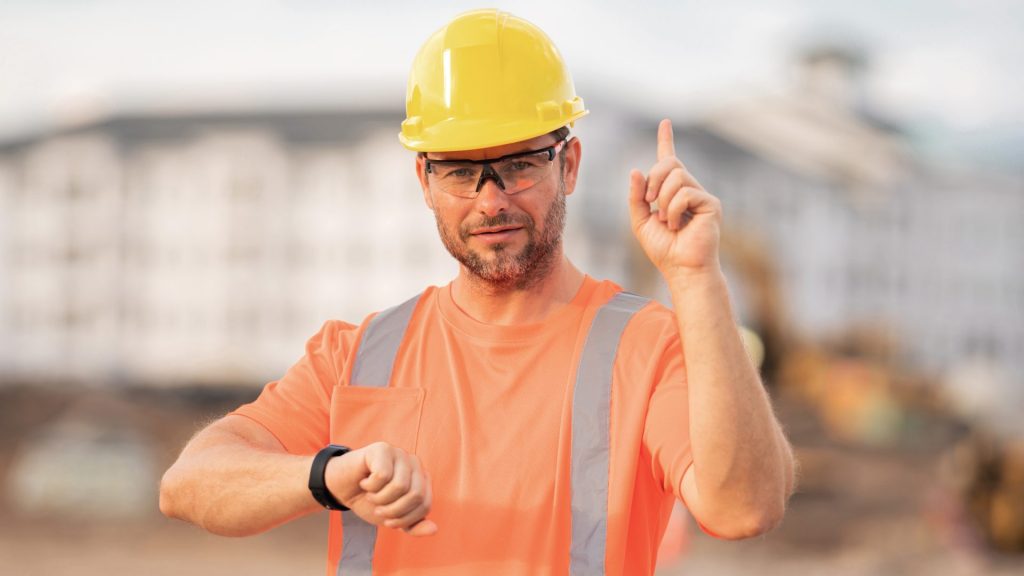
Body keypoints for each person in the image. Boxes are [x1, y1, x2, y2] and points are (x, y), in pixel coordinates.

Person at [159, 9, 796, 575]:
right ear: (424, 180)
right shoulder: (357, 356)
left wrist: (696, 278)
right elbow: (188, 485)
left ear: (568, 165)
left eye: (518, 165)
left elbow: (743, 507)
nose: (491, 201)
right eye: (462, 171)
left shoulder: (650, 346)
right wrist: (326, 474)